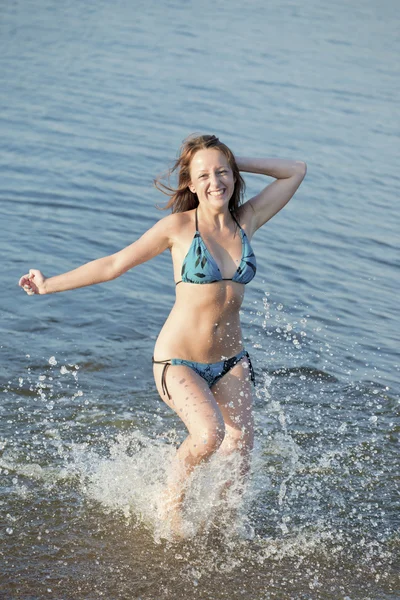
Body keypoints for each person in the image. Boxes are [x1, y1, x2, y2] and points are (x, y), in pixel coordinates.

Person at [19, 134, 306, 537]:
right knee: (209, 436)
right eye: (203, 175)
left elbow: (295, 170)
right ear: (190, 183)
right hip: (178, 361)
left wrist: (230, 158)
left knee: (240, 448)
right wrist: (49, 285)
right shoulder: (177, 228)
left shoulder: (248, 220)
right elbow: (115, 264)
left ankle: (220, 528)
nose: (215, 182)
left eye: (222, 172)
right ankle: (170, 505)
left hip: (231, 361)